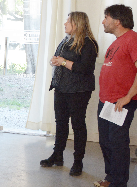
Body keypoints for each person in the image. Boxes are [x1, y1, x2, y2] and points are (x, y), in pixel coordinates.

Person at [93, 4, 137, 187]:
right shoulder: (117, 42)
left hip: (121, 102)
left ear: (117, 21)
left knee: (118, 144)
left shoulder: (135, 40)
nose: (103, 21)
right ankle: (111, 177)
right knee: (106, 141)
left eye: (106, 17)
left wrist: (127, 97)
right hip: (107, 101)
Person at [40, 12, 99, 176]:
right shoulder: (66, 40)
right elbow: (61, 60)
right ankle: (57, 155)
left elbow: (85, 68)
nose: (65, 23)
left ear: (77, 24)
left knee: (78, 125)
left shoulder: (89, 44)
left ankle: (78, 162)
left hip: (79, 90)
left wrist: (63, 62)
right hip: (61, 87)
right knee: (60, 123)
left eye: (68, 21)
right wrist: (55, 60)